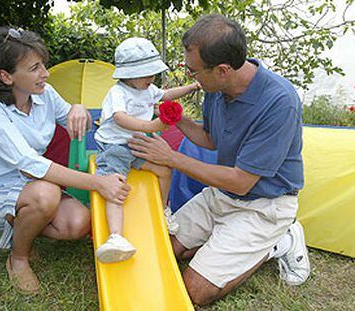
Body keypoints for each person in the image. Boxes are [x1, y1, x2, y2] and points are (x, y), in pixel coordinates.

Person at [129, 14, 310, 305]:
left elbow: (241, 182)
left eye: (194, 71)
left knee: (195, 291)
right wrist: (176, 119)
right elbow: (211, 139)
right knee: (161, 249)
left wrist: (171, 158)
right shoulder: (216, 88)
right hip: (222, 196)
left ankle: (279, 242)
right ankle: (226, 243)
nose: (191, 77)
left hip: (263, 206)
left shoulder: (279, 102)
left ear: (223, 70)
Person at [0, 26, 130, 295]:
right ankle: (19, 258)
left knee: (77, 223)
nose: (44, 72)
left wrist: (78, 108)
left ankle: (23, 228)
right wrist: (98, 183)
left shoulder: (44, 93)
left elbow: (77, 120)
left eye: (42, 64)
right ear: (6, 76)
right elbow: (30, 163)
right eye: (34, 68)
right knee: (45, 194)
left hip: (38, 186)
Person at [94, 37, 200, 263]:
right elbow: (119, 118)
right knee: (116, 187)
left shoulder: (147, 88)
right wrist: (150, 126)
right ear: (128, 74)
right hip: (115, 147)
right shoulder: (118, 93)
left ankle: (162, 211)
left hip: (137, 146)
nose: (151, 78)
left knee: (165, 170)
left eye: (153, 73)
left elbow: (165, 95)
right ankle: (115, 236)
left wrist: (191, 87)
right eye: (147, 74)